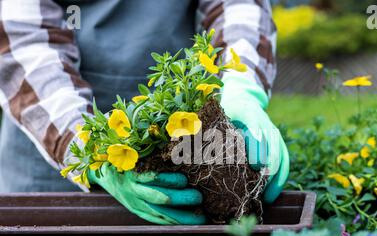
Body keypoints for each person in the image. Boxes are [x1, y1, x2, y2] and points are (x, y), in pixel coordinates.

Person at [0, 0, 289, 224]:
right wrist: (92, 150)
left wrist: (240, 87)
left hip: (184, 139)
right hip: (53, 153)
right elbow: (24, 39)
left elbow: (237, 7)